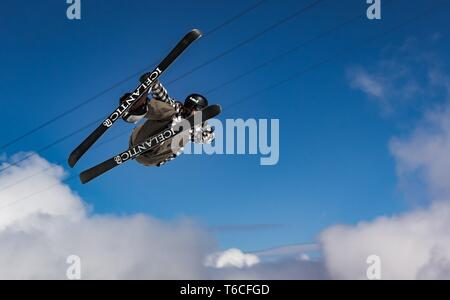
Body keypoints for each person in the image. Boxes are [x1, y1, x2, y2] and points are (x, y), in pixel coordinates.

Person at [120, 80, 214, 167]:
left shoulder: (197, 126)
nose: (190, 110)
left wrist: (199, 121)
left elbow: (206, 139)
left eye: (195, 109)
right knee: (170, 111)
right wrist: (153, 83)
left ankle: (168, 135)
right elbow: (163, 98)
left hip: (154, 157)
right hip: (138, 140)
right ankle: (136, 108)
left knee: (185, 130)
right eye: (188, 106)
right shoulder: (176, 108)